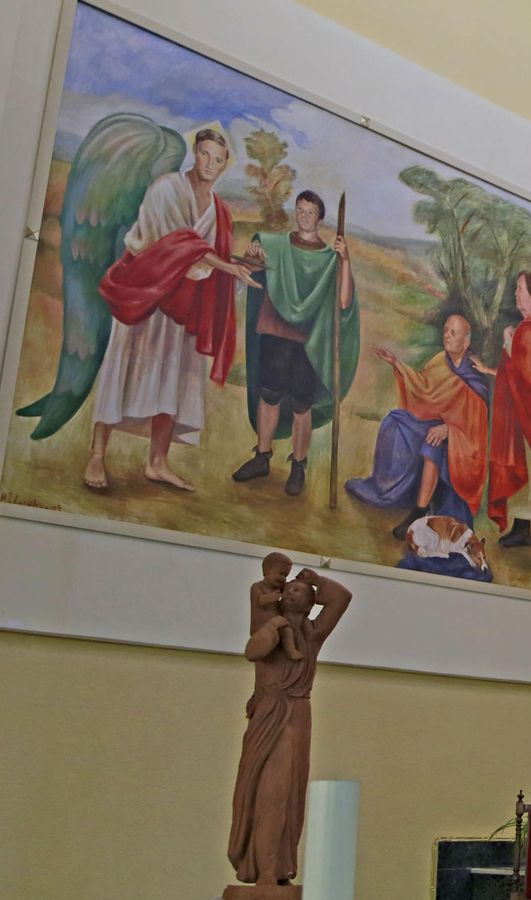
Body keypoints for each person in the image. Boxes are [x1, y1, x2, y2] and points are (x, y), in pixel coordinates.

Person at [83, 127, 260, 492]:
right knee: (124, 368)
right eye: (205, 154)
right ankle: (98, 454)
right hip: (145, 290)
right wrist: (226, 265)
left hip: (183, 303)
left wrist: (245, 263)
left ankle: (158, 462)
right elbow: (175, 245)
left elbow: (211, 259)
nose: (210, 164)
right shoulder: (165, 188)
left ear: (225, 165)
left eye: (218, 159)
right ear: (194, 152)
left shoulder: (220, 210)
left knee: (173, 377)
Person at [227, 566, 351, 885]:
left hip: (296, 714)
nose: (290, 591)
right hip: (269, 710)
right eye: (289, 588)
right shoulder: (268, 621)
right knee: (265, 789)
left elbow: (341, 597)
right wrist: (276, 625)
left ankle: (275, 870)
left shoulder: (313, 634)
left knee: (286, 792)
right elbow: (253, 651)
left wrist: (316, 580)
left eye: (299, 591)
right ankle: (263, 871)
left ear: (310, 604)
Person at [231, 190, 359, 496]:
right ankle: (262, 457)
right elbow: (253, 265)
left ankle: (298, 465)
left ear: (320, 218)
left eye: (310, 212)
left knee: (303, 405)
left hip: (307, 342)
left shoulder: (329, 259)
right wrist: (253, 256)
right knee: (269, 395)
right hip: (275, 331)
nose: (303, 215)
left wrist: (345, 259)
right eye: (300, 209)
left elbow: (343, 302)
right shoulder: (275, 245)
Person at [345, 315, 490, 538]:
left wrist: (449, 430)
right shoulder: (441, 360)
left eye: (454, 333)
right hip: (432, 422)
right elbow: (423, 386)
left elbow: (475, 427)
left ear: (466, 341)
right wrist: (396, 364)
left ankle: (419, 511)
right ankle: (388, 487)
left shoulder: (474, 376)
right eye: (446, 330)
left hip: (461, 442)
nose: (447, 336)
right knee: (395, 422)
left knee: (431, 447)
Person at [480, 271, 531, 549]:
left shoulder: (529, 330)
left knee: (522, 468)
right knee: (526, 471)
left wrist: (507, 341)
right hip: (529, 415)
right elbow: (522, 374)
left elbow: (524, 377)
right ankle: (521, 529)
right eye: (515, 288)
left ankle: (522, 530)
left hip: (523, 419)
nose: (516, 293)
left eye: (520, 289)